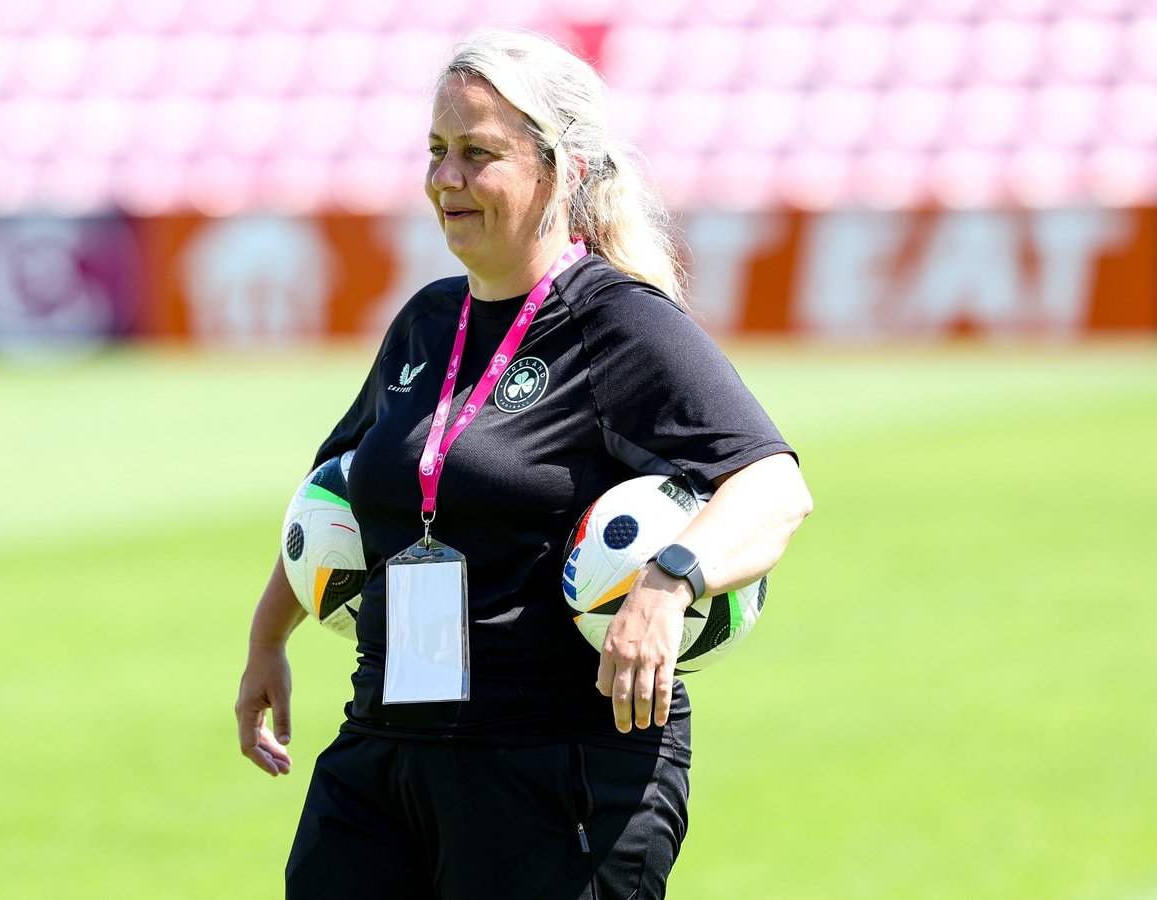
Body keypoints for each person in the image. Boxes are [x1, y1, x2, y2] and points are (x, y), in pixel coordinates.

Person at [234, 28, 812, 900]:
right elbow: (336, 495)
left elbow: (774, 487)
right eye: (436, 150)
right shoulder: (424, 324)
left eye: (478, 154)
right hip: (385, 752)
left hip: (557, 770)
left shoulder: (619, 323)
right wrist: (266, 640)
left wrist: (669, 583)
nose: (446, 178)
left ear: (563, 170)